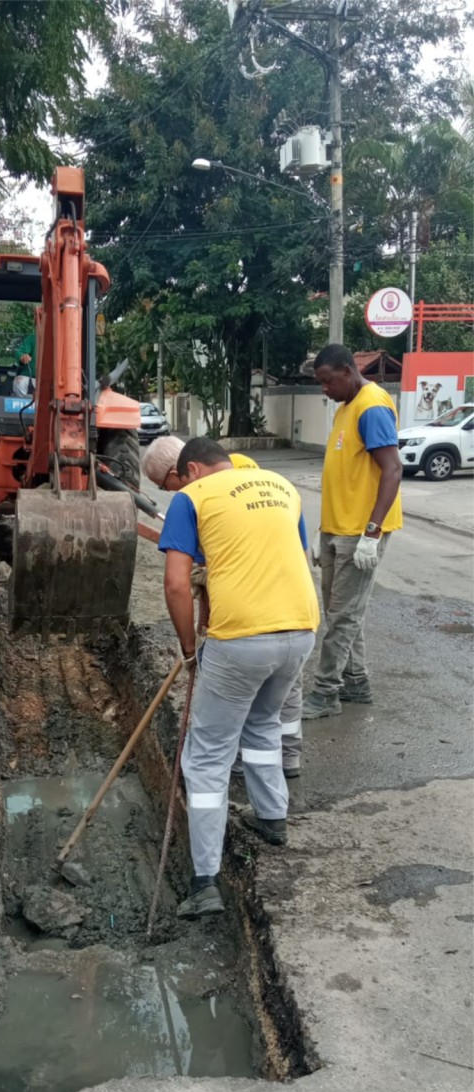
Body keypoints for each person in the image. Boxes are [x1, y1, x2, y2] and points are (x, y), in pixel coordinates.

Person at [157, 437, 320, 920]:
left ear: (190, 470)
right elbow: (295, 557)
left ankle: (204, 880)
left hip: (242, 640)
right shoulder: (282, 485)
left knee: (206, 757)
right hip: (300, 630)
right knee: (263, 725)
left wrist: (190, 649)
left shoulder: (191, 498)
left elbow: (175, 583)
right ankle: (272, 819)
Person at [143, 435, 306, 779]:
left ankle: (252, 760)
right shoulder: (266, 479)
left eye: (169, 484)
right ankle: (274, 767)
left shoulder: (200, 491)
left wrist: (189, 649)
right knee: (268, 709)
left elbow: (183, 577)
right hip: (297, 614)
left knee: (248, 701)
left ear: (185, 470)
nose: (173, 492)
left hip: (252, 613)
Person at [301, 343, 403, 719]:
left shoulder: (372, 406)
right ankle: (356, 681)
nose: (324, 390)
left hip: (360, 533)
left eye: (327, 382)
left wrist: (372, 534)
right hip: (336, 529)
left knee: (343, 616)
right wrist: (322, 529)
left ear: (347, 371)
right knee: (341, 612)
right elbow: (345, 477)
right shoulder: (347, 408)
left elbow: (392, 470)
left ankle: (326, 692)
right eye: (320, 383)